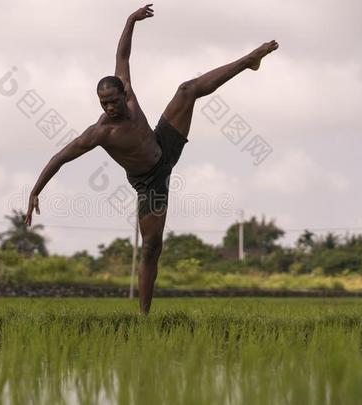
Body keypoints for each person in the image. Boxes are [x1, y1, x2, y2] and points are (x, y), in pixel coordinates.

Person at [24, 4, 278, 314]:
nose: (109, 108)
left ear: (124, 94)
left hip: (162, 142)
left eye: (113, 101)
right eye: (104, 103)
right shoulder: (101, 132)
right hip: (150, 181)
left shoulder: (127, 92)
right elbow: (61, 157)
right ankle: (144, 315)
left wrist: (131, 20)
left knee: (187, 89)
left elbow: (122, 57)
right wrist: (36, 190)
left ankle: (249, 61)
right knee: (151, 249)